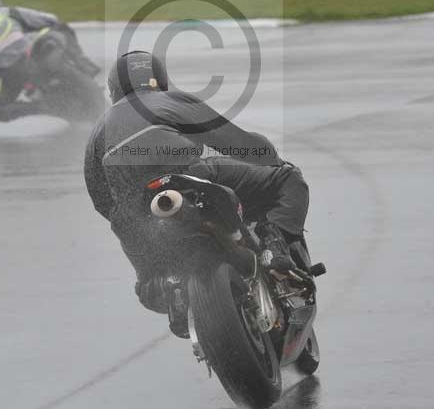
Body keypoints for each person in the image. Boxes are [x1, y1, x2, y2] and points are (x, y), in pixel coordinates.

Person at [84, 50, 311, 322]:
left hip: (133, 208)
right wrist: (269, 157)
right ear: (160, 79)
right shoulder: (170, 99)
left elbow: (100, 198)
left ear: (114, 90)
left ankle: (161, 286)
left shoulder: (97, 131)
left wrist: (127, 213)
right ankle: (275, 249)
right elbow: (235, 143)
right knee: (288, 178)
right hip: (188, 175)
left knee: (145, 273)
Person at [0, 0, 99, 122]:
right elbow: (50, 19)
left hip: (12, 72)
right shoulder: (9, 12)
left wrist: (4, 71)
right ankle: (83, 64)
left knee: (1, 112)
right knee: (61, 27)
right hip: (33, 56)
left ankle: (43, 106)